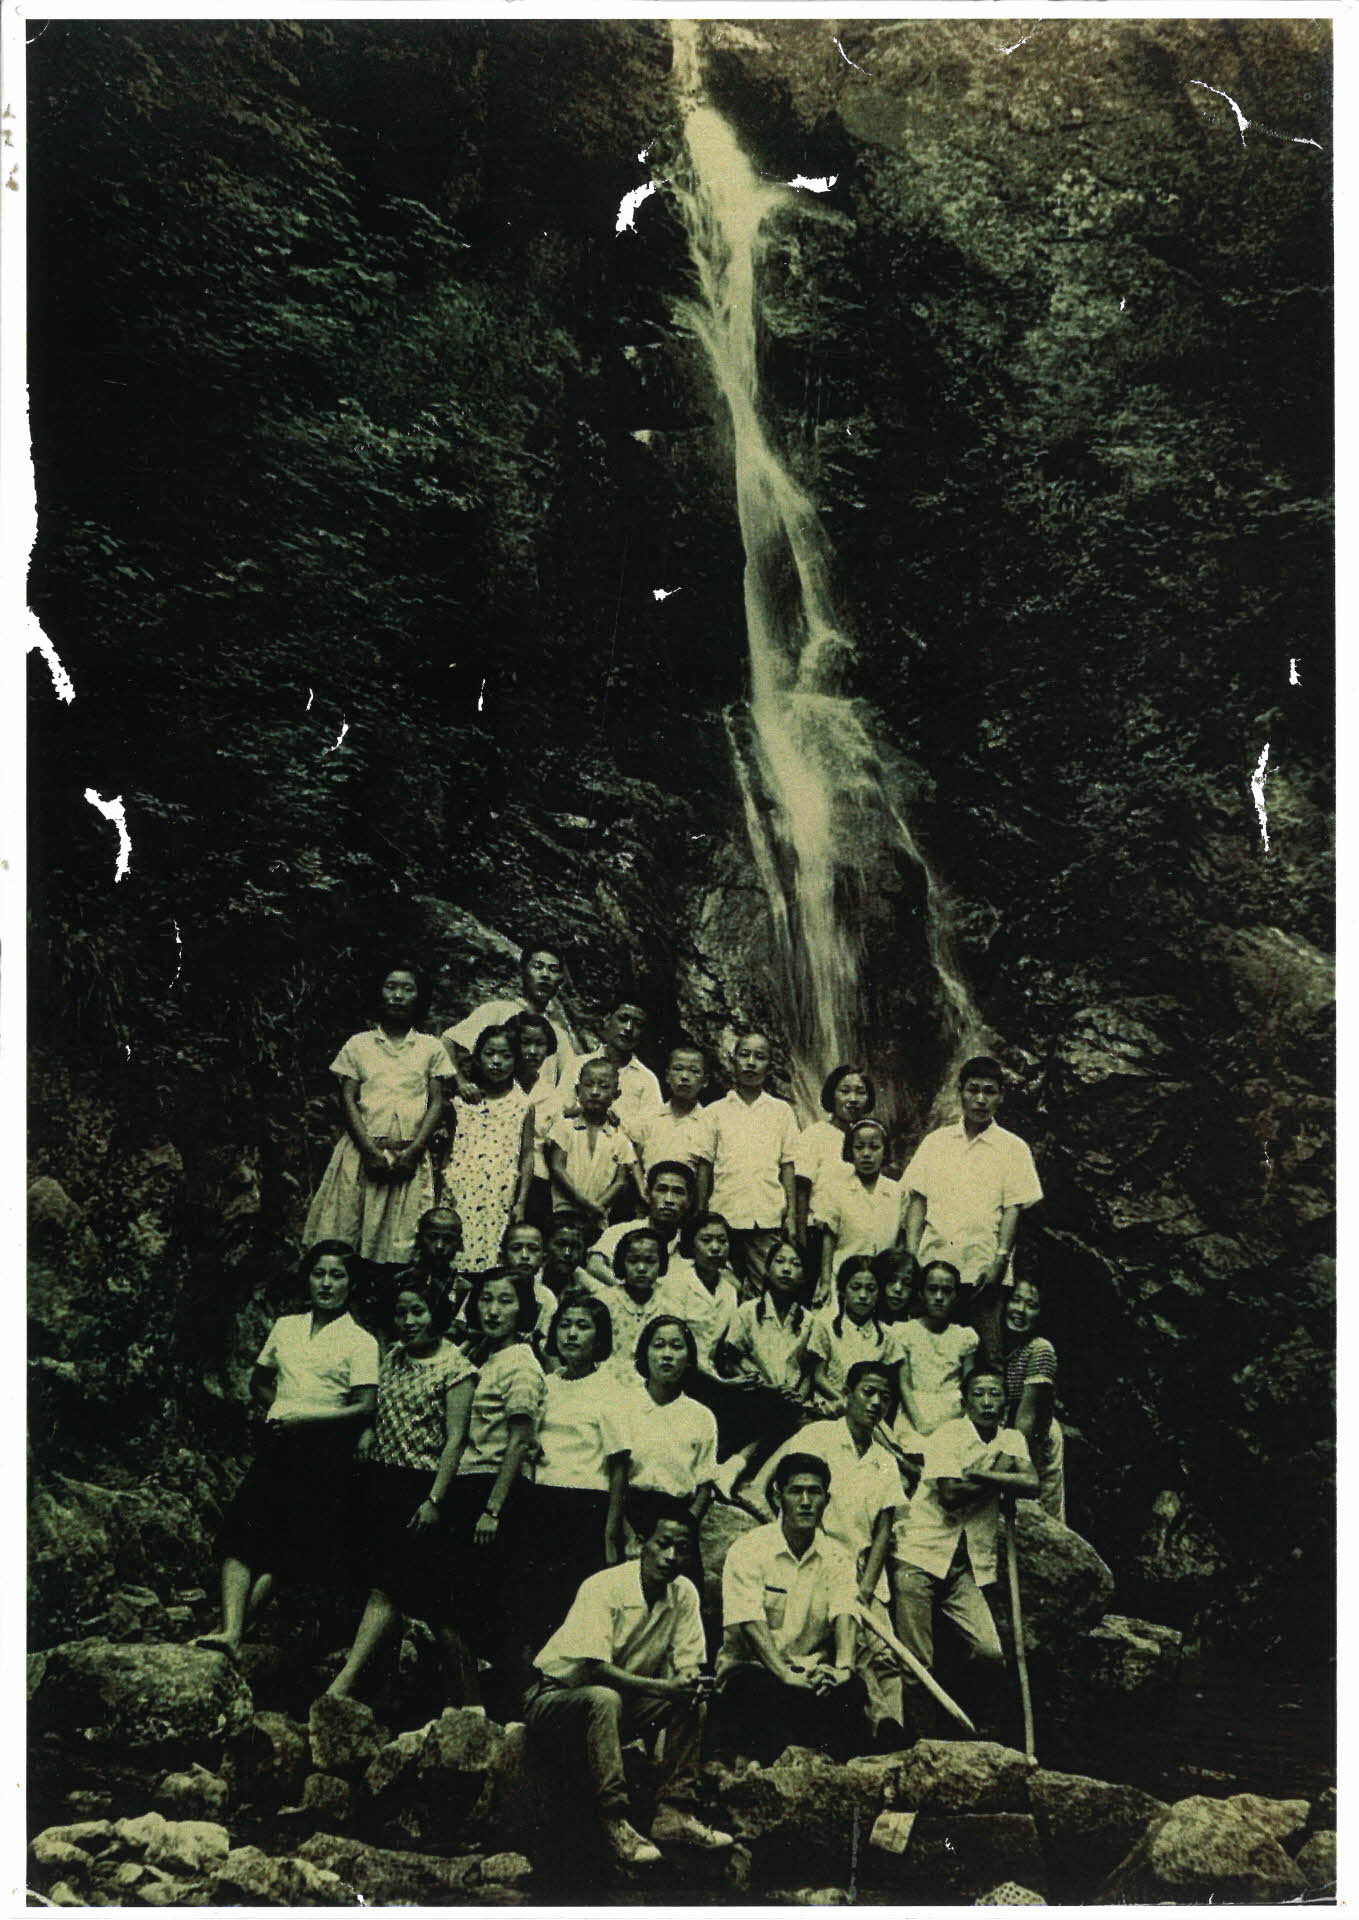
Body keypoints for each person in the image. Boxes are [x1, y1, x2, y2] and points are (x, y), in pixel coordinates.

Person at [523, 1499, 731, 1867]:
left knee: (692, 1699)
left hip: (623, 1707)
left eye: (682, 1549)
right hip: (558, 1700)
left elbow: (688, 1664)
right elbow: (595, 1669)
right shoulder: (604, 1586)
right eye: (662, 1544)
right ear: (640, 1544)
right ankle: (614, 1819)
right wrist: (664, 1688)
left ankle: (675, 1813)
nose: (670, 1557)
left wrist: (690, 1683)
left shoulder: (684, 1593)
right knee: (605, 1698)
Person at [197, 1242, 379, 1656]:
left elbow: (365, 1405)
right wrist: (280, 1409)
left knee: (288, 1548)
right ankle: (230, 1629)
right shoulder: (286, 1326)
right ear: (308, 1279)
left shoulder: (360, 1340)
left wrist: (308, 1419)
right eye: (319, 1274)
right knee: (241, 1532)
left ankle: (234, 1631)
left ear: (351, 1284)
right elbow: (260, 1381)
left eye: (337, 1276)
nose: (326, 1284)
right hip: (280, 1440)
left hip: (326, 1450)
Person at [326, 1274, 479, 1702]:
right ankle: (382, 1691)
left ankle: (346, 1684)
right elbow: (378, 1409)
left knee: (404, 1594)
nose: (409, 1321)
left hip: (421, 1487)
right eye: (401, 1313)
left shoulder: (456, 1368)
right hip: (381, 1481)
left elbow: (455, 1439)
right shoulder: (393, 1355)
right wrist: (367, 1433)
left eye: (418, 1312)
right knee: (383, 1586)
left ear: (437, 1314)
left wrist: (434, 1500)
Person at [746, 1361, 908, 1739]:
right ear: (847, 1394)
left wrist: (864, 1588)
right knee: (839, 1652)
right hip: (815, 1564)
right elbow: (793, 1496)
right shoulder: (817, 1437)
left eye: (884, 1397)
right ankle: (870, 1733)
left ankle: (894, 1736)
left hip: (864, 1574)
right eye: (868, 1392)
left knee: (884, 1656)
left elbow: (884, 1531)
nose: (875, 1403)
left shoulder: (884, 1461)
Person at [891, 1368, 1037, 1732]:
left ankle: (976, 1731)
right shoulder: (948, 1435)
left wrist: (981, 1474)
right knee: (917, 1662)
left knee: (989, 1652)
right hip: (920, 1554)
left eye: (995, 1394)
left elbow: (1032, 1483)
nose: (987, 1402)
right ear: (966, 1400)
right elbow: (950, 1494)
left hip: (966, 1565)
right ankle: (919, 1744)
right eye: (979, 1394)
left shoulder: (1012, 1439)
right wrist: (1004, 1476)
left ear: (1005, 1402)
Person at [714, 1453, 870, 1764]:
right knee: (762, 1694)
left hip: (811, 1675)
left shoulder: (837, 1555)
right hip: (756, 1672)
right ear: (777, 1496)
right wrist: (785, 1674)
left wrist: (842, 1669)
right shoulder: (748, 1550)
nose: (805, 1502)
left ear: (826, 1500)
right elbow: (750, 1622)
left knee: (851, 1691)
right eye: (796, 1491)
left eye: (815, 1492)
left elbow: (845, 1612)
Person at [304, 967, 454, 1270]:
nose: (398, 996)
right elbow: (347, 1098)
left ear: (419, 997)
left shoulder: (430, 1048)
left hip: (407, 1159)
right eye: (390, 987)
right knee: (347, 1231)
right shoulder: (359, 1044)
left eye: (407, 989)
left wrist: (414, 1151)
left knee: (400, 1241)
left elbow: (437, 1101)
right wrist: (369, 1150)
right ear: (379, 992)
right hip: (361, 1155)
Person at [444, 1266, 546, 1713]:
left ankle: (508, 1709)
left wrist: (493, 1509)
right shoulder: (482, 1357)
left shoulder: (521, 1363)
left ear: (522, 1310)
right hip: (466, 1485)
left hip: (495, 1490)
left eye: (505, 1301)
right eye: (485, 1299)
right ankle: (473, 1707)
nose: (493, 1310)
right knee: (458, 1605)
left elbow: (519, 1440)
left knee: (492, 1607)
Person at [516, 1291, 633, 1647]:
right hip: (540, 1502)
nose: (571, 1334)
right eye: (565, 1325)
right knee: (534, 1604)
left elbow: (619, 1466)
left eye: (583, 1326)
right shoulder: (546, 1384)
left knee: (574, 1605)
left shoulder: (610, 1389)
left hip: (584, 1509)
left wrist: (610, 1533)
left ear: (599, 1336)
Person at [901, 1056, 1042, 1345]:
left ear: (1001, 1096)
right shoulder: (936, 1142)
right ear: (960, 1092)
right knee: (924, 1347)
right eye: (973, 1089)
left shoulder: (1014, 1148)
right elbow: (917, 1201)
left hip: (983, 1271)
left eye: (989, 1091)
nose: (980, 1099)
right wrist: (912, 1256)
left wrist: (1000, 1260)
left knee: (986, 1354)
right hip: (933, 1271)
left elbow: (1013, 1209)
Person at [708, 1032, 800, 1284]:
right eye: (744, 1055)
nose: (750, 1063)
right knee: (723, 1284)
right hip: (724, 1215)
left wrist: (791, 1215)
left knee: (766, 1284)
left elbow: (788, 1165)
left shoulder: (781, 1111)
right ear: (733, 1060)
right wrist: (702, 1215)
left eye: (759, 1057)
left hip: (767, 1217)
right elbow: (705, 1166)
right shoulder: (715, 1111)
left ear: (769, 1067)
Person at [444, 1026, 534, 1273]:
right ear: (477, 1057)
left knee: (492, 1259)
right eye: (490, 1053)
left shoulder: (522, 1104)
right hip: (460, 1190)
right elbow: (448, 1151)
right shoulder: (460, 1102)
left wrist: (521, 1202)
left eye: (506, 1056)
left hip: (499, 1195)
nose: (497, 1062)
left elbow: (527, 1154)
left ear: (516, 1060)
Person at [620, 1316, 719, 1539]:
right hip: (628, 1516)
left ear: (689, 1359)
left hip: (678, 1520)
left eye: (676, 1347)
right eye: (658, 1345)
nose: (667, 1354)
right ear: (645, 1354)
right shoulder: (623, 1407)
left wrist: (684, 1528)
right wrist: (627, 1535)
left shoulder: (701, 1416)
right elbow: (611, 1478)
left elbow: (705, 1484)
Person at [442, 943, 578, 1097]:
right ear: (523, 972)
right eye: (538, 967)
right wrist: (461, 1083)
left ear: (559, 980)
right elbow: (447, 1043)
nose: (545, 975)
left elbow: (571, 1080)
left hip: (541, 1108)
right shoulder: (496, 1011)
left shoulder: (559, 1034)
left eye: (553, 970)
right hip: (493, 1105)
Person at [544, 1058, 638, 1233]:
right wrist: (585, 1203)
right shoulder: (563, 1128)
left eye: (604, 1087)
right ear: (578, 1090)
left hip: (597, 1217)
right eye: (588, 1085)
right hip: (564, 1213)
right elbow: (557, 1168)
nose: (595, 1092)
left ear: (616, 1094)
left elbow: (619, 1181)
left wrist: (597, 1206)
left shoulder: (619, 1138)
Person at [817, 1119, 905, 1305]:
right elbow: (828, 1239)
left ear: (885, 1151)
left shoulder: (897, 1192)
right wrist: (825, 1282)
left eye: (874, 1147)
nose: (866, 1154)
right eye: (859, 1147)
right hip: (843, 1276)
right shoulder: (835, 1190)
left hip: (882, 1280)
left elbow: (900, 1242)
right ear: (850, 1151)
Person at [793, 1064, 875, 1259]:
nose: (853, 1099)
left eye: (860, 1092)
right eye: (844, 1091)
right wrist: (801, 1240)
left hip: (857, 1234)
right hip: (819, 1233)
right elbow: (802, 1189)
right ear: (832, 1095)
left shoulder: (870, 1138)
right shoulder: (816, 1135)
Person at [1000, 1276, 1065, 1521]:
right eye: (1015, 1300)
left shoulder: (1040, 1349)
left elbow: (1026, 1420)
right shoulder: (994, 1342)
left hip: (1036, 1436)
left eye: (1031, 1305)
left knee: (1043, 1514)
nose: (1020, 1310)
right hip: (1006, 1430)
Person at [722, 1235, 814, 1402]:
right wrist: (763, 1388)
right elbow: (732, 1361)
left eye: (796, 1264)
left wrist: (797, 1400)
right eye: (779, 1261)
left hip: (791, 1402)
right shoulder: (748, 1311)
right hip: (752, 1398)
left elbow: (808, 1372)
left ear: (804, 1277)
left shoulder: (808, 1320)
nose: (786, 1269)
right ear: (767, 1269)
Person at [806, 1256, 903, 1414]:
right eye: (856, 1287)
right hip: (831, 1406)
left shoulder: (887, 1336)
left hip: (869, 1412)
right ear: (842, 1290)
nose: (863, 1295)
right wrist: (849, 1403)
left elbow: (887, 1386)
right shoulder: (825, 1326)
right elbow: (819, 1377)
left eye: (871, 1289)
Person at [896, 1260, 979, 1443]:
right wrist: (921, 1425)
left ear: (956, 1296)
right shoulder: (905, 1332)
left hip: (954, 1413)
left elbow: (969, 1388)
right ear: (921, 1293)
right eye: (932, 1289)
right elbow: (904, 1386)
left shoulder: (965, 1336)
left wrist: (948, 1422)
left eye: (947, 1291)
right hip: (915, 1412)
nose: (939, 1297)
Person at [582, 1227, 672, 1386]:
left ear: (661, 1263)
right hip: (607, 1382)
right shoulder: (604, 1301)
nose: (641, 1268)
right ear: (622, 1263)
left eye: (650, 1261)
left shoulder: (670, 1302)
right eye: (633, 1261)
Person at [634, 1045, 717, 1208]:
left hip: (686, 1207)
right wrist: (642, 1190)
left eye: (694, 1071)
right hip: (649, 1204)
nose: (684, 1077)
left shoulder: (709, 1122)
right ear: (667, 1076)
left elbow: (706, 1174)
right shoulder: (649, 1118)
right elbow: (634, 1160)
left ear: (705, 1081)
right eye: (678, 1069)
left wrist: (699, 1210)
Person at [587, 1161, 694, 1283]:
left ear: (689, 1201)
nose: (669, 1199)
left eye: (678, 1192)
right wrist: (627, 1290)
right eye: (662, 1190)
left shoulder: (690, 1245)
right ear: (648, 1194)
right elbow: (594, 1266)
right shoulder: (620, 1232)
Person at [506, 1009, 563, 1228]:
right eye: (525, 1043)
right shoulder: (498, 1088)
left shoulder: (551, 1096)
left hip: (536, 1184)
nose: (532, 1052)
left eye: (539, 1044)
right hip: (497, 1174)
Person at [575, 1001, 664, 1141]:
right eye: (623, 1019)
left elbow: (652, 1134)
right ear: (607, 1020)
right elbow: (559, 1112)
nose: (629, 1028)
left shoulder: (647, 1080)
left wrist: (620, 1123)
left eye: (638, 1025)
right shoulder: (578, 1065)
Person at [392, 1203, 469, 1326]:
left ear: (459, 1244)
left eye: (448, 1239)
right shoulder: (398, 1282)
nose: (439, 1246)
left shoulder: (464, 1290)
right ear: (418, 1240)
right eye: (432, 1237)